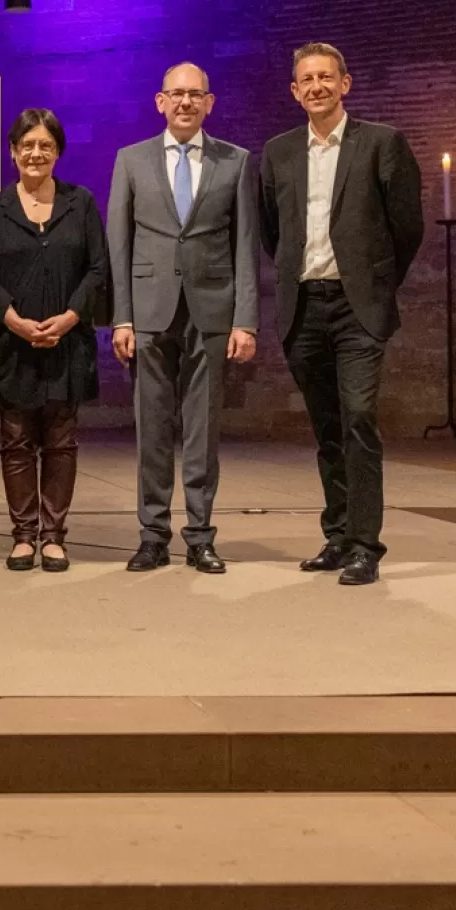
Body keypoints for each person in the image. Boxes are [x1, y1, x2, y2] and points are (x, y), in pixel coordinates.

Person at [260, 42, 424, 586]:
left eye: (326, 77)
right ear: (294, 90)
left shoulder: (381, 144)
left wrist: (374, 285)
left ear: (345, 83)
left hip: (357, 308)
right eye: (306, 79)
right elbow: (270, 231)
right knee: (327, 426)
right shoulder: (279, 152)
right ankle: (337, 535)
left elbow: (407, 228)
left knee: (358, 418)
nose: (317, 87)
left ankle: (365, 546)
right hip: (304, 305)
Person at [108, 64, 259, 575]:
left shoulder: (235, 161)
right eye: (177, 94)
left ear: (210, 103)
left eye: (196, 94)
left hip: (212, 310)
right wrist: (121, 318)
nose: (186, 102)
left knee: (203, 429)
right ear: (159, 101)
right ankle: (152, 535)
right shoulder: (130, 160)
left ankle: (200, 535)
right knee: (152, 428)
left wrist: (246, 320)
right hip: (149, 311)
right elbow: (118, 245)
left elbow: (244, 245)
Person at [0, 109, 109, 572]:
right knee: (15, 441)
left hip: (66, 343)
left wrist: (70, 317)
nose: (36, 153)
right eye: (27, 145)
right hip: (13, 344)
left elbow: (97, 270)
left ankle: (54, 536)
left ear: (57, 152)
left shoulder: (80, 203)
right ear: (13, 152)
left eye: (45, 146)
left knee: (61, 440)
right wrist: (16, 321)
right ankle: (23, 536)